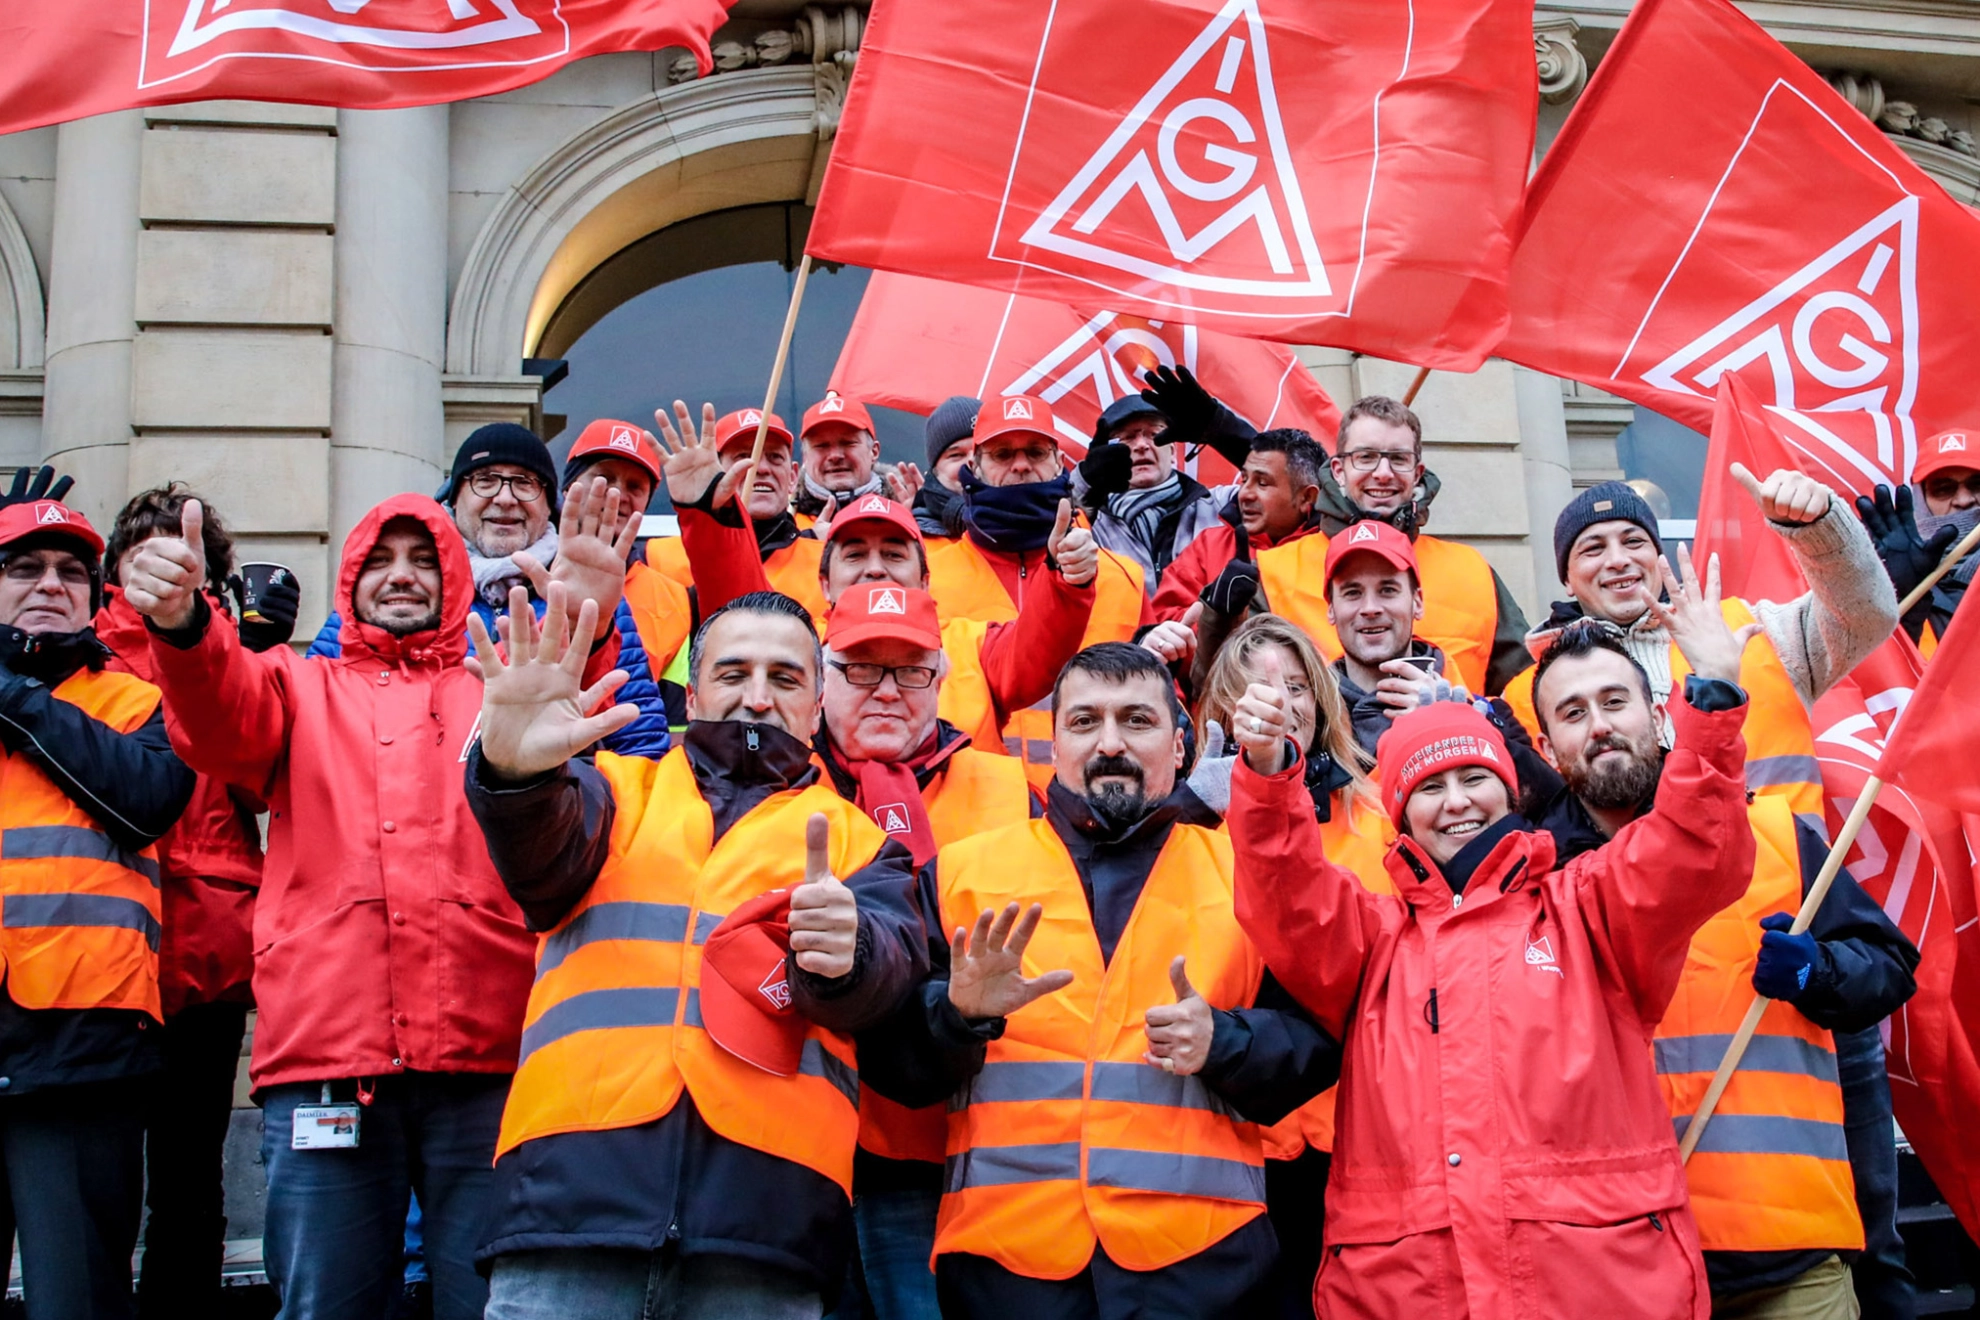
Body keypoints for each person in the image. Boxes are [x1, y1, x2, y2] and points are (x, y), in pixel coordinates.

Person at [124, 490, 636, 1320]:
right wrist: (186, 630)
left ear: (457, 579)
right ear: (350, 579)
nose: (402, 578)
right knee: (328, 1303)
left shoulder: (494, 689)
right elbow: (218, 718)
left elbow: (567, 754)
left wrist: (587, 621)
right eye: (382, 562)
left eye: (424, 562)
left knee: (500, 1303)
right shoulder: (294, 684)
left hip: (492, 1055)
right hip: (330, 1059)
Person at [1226, 547, 1765, 1319]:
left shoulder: (1588, 907)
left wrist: (1710, 699)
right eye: (1429, 788)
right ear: (1400, 811)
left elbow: (1692, 847)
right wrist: (1267, 772)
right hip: (1412, 1289)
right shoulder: (1374, 938)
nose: (1456, 805)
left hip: (1597, 1283)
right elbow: (1284, 892)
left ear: (1510, 791)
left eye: (1474, 779)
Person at [461, 589, 926, 1319]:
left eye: (785, 677)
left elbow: (892, 977)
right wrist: (514, 777)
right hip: (571, 1201)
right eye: (734, 673)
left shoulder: (868, 848)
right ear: (695, 690)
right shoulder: (608, 791)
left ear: (816, 705)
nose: (757, 697)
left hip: (766, 1222)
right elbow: (537, 860)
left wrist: (853, 954)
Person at [863, 642, 1339, 1318]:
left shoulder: (1250, 875)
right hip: (1008, 1270)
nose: (1109, 743)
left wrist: (1224, 1042)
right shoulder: (960, 873)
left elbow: (1318, 1042)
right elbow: (891, 1064)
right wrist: (958, 1016)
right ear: (1052, 745)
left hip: (1205, 1271)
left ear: (1181, 747)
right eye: (1085, 722)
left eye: (1136, 721)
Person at [1524, 616, 1918, 1320]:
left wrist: (1818, 973)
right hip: (1616, 1268)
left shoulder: (1769, 833)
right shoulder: (1529, 883)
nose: (1600, 727)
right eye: (1573, 713)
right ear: (1548, 748)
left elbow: (1888, 968)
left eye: (1615, 702)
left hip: (1787, 1254)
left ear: (1658, 712)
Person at [812, 584, 1035, 1320]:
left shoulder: (1010, 786)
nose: (886, 690)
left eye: (909, 670)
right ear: (821, 676)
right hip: (799, 1143)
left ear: (942, 681)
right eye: (860, 667)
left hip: (957, 1142)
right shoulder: (780, 782)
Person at [0, 497, 194, 1320]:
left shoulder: (138, 701)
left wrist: (11, 695)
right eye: (24, 568)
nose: (51, 584)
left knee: (76, 1301)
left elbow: (148, 798)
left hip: (81, 1049)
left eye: (72, 573)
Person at [649, 432, 1098, 783]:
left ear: (925, 579)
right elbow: (741, 612)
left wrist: (1065, 578)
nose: (875, 569)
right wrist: (707, 513)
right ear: (823, 583)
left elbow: (1039, 649)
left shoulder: (974, 643)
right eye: (855, 554)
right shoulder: (800, 648)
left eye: (895, 554)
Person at [97, 486, 274, 1318]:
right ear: (116, 568)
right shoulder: (79, 653)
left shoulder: (235, 654)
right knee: (91, 1177)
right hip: (98, 950)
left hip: (206, 946)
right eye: (146, 549)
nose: (165, 563)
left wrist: (256, 660)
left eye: (182, 549)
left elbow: (264, 788)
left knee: (188, 1176)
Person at [1503, 472, 1898, 833]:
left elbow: (1866, 619)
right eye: (1592, 548)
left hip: (1791, 896)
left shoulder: (1750, 628)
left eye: (1633, 541)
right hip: (1640, 904)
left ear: (1657, 556)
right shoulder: (1527, 695)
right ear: (1567, 580)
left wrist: (1819, 530)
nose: (1618, 559)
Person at [1189, 614, 1387, 1320]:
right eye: (1258, 687)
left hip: (1361, 1139)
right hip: (1237, 1143)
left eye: (1298, 686)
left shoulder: (1376, 812)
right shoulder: (1195, 827)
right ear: (1225, 710)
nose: (1283, 703)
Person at [306, 422, 672, 758]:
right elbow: (308, 718)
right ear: (453, 499)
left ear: (549, 506)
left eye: (525, 482)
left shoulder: (590, 594)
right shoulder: (401, 592)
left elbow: (640, 741)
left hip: (545, 816)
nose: (505, 498)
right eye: (485, 479)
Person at [925, 394, 1153, 783]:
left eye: (1035, 451)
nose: (1020, 465)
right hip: (974, 812)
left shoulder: (1123, 578)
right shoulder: (926, 579)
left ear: (1059, 464)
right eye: (1002, 454)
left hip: (1099, 811)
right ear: (974, 466)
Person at [1253, 397, 1533, 694]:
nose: (1383, 473)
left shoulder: (1472, 571)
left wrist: (1471, 720)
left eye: (1398, 459)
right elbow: (1236, 689)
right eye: (1366, 456)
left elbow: (1528, 689)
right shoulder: (1274, 573)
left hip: (1451, 738)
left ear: (1417, 473)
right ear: (1338, 469)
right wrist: (1214, 622)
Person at [557, 418, 695, 724]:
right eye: (603, 478)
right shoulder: (525, 573)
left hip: (630, 765)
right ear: (568, 489)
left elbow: (672, 725)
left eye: (635, 486)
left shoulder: (675, 600)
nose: (618, 494)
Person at [647, 405, 830, 618]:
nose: (761, 468)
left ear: (792, 477)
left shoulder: (829, 561)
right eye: (743, 456)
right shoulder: (658, 558)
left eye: (775, 457)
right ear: (714, 471)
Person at [1152, 428, 1327, 624]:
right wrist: (1218, 617)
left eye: (1262, 483)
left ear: (1307, 497)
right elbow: (1165, 622)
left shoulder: (1333, 548)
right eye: (1244, 479)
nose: (1244, 494)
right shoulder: (1208, 546)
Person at [1072, 394, 1230, 590]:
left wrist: (1222, 427)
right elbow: (1044, 541)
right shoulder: (1091, 525)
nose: (1141, 445)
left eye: (1154, 435)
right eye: (1128, 437)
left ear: (1172, 452)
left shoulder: (1220, 506)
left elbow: (1275, 483)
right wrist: (1084, 483)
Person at [1856, 427, 1980, 653]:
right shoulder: (1885, 578)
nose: (1963, 501)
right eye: (1944, 489)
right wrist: (1893, 596)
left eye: (1977, 485)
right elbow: (1877, 674)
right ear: (1920, 500)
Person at [793, 392, 920, 524]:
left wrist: (914, 526)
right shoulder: (783, 520)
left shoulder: (910, 511)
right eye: (821, 446)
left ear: (874, 451)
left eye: (848, 443)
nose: (835, 456)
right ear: (805, 457)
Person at [911, 396, 978, 543]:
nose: (971, 462)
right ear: (935, 470)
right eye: (956, 455)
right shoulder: (912, 540)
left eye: (980, 451)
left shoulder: (1037, 533)